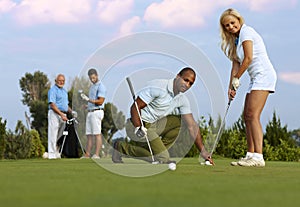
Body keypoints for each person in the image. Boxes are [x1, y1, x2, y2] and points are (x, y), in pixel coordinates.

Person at [112, 67, 214, 165]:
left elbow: (192, 126)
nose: (187, 85)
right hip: (136, 124)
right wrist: (138, 127)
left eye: (190, 83)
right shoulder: (158, 87)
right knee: (163, 158)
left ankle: (157, 152)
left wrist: (203, 151)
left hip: (153, 126)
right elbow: (135, 107)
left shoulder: (182, 99)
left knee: (182, 122)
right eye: (185, 80)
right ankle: (120, 148)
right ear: (178, 76)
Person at [219, 8, 277, 167]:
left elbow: (249, 58)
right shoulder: (234, 41)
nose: (231, 27)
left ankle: (258, 157)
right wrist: (231, 86)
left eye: (232, 23)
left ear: (239, 21)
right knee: (247, 116)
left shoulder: (246, 32)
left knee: (253, 114)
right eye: (227, 25)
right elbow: (235, 66)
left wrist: (238, 78)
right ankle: (250, 154)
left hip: (264, 75)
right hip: (255, 77)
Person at [80, 68, 106, 159]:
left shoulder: (101, 86)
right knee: (89, 135)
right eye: (91, 78)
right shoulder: (92, 87)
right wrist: (87, 106)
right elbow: (93, 102)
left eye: (94, 78)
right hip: (91, 112)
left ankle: (97, 155)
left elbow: (100, 101)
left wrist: (88, 100)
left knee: (97, 134)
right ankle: (87, 154)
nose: (92, 80)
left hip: (97, 112)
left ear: (97, 75)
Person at [48, 74, 72, 159]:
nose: (61, 82)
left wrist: (72, 111)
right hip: (54, 114)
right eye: (60, 80)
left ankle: (56, 151)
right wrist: (61, 114)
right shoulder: (53, 90)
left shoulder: (64, 91)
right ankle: (51, 154)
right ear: (56, 81)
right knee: (53, 133)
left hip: (63, 114)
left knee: (61, 134)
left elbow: (65, 105)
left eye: (63, 81)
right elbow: (52, 104)